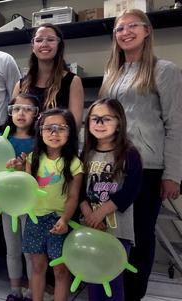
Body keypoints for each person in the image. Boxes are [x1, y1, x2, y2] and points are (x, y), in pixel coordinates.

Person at [98, 9, 182, 301]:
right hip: (112, 166)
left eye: (132, 26)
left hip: (147, 167)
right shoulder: (113, 73)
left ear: (147, 31)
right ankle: (112, 290)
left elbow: (176, 124)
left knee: (141, 236)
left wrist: (172, 174)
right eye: (120, 29)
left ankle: (133, 295)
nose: (125, 32)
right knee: (113, 233)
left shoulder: (165, 70)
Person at [10, 108, 82, 301]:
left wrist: (65, 219)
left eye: (61, 128)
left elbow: (73, 197)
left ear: (70, 132)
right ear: (40, 132)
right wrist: (16, 169)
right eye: (48, 128)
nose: (54, 133)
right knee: (38, 267)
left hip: (59, 222)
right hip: (35, 220)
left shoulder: (74, 163)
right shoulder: (32, 159)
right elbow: (25, 188)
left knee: (60, 270)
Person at [79, 98, 143, 301]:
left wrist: (102, 211)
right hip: (90, 227)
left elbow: (131, 190)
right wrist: (90, 214)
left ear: (119, 123)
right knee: (93, 276)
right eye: (94, 119)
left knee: (113, 280)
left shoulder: (129, 154)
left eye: (106, 119)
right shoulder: (86, 154)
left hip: (118, 231)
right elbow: (79, 189)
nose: (99, 124)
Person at [3, 93, 39, 301]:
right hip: (7, 203)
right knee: (12, 249)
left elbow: (42, 175)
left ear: (36, 115)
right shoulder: (4, 140)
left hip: (30, 204)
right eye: (16, 108)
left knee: (29, 250)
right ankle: (14, 290)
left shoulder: (39, 142)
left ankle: (32, 291)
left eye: (27, 109)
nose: (21, 113)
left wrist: (25, 167)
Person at [13, 23, 84, 129]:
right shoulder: (21, 85)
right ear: (33, 47)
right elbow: (13, 123)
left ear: (59, 46)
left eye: (51, 40)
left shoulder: (73, 81)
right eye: (39, 40)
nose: (44, 44)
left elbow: (75, 126)